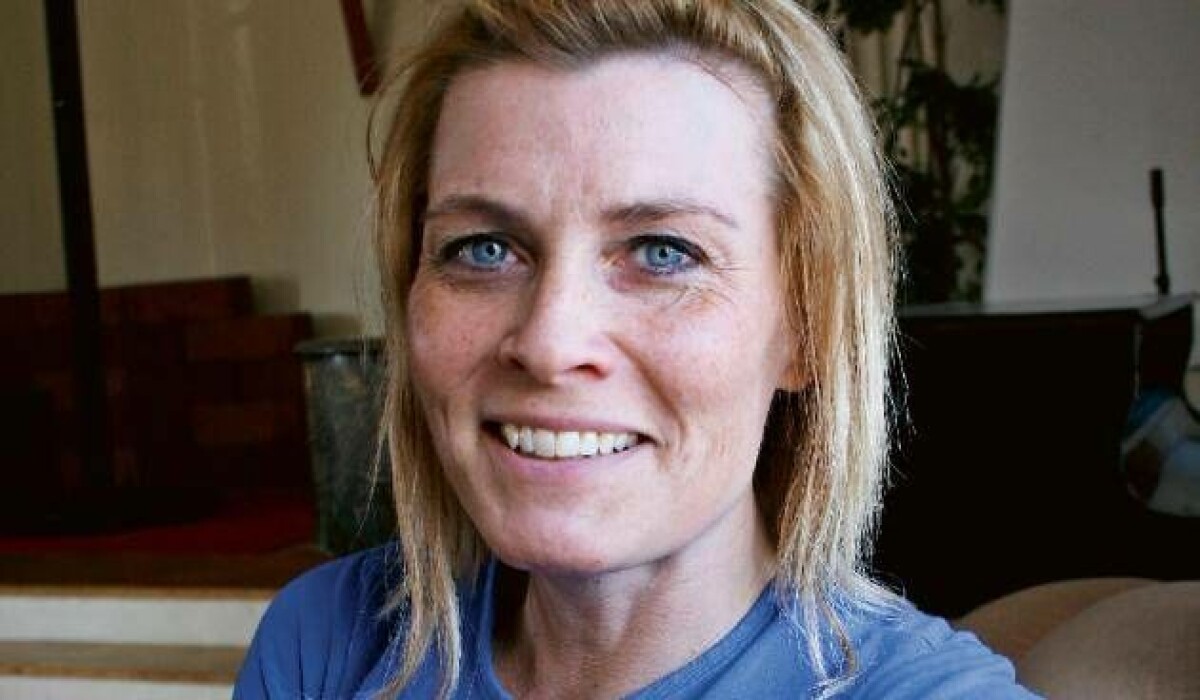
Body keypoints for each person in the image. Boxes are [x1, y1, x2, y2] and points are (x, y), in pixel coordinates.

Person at [236, 1, 1039, 697]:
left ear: (808, 326)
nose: (550, 343)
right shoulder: (327, 644)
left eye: (663, 253)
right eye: (484, 248)